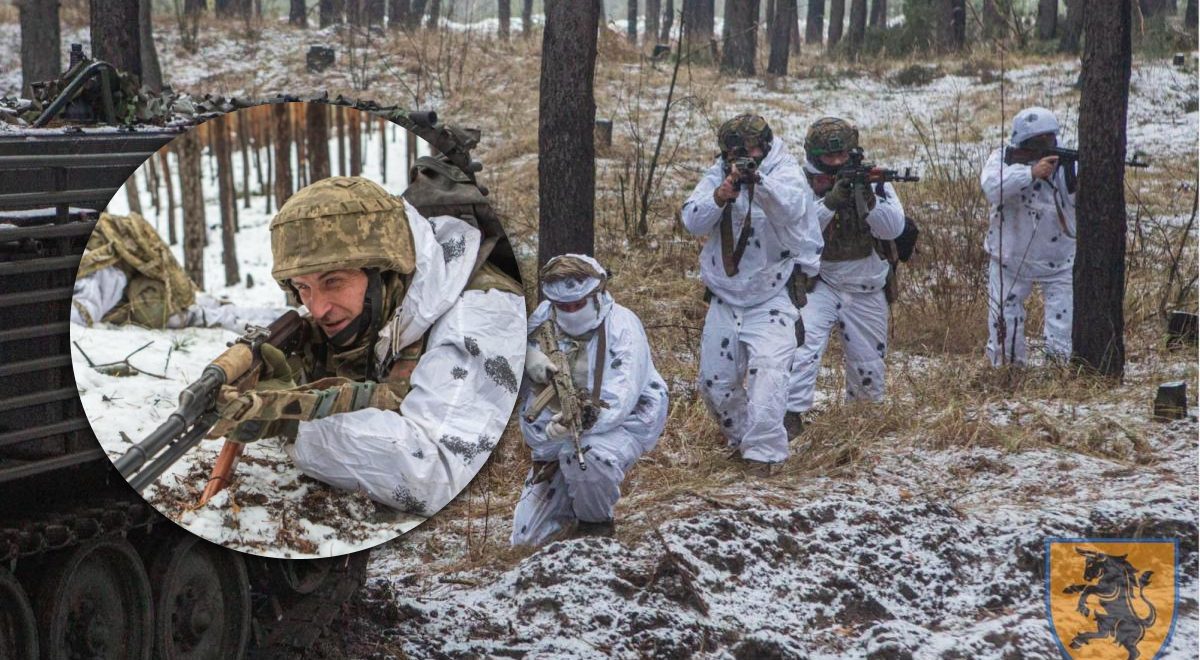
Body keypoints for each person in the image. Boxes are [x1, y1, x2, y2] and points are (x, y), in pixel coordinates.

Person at [209, 176, 526, 515]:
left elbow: (438, 475)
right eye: (303, 288)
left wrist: (290, 419)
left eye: (333, 282)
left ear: (386, 273)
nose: (318, 309)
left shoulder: (479, 316)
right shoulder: (393, 304)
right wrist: (294, 375)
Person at [681, 114, 822, 473]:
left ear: (766, 145)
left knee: (769, 375)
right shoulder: (719, 173)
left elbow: (792, 210)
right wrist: (720, 195)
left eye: (752, 149)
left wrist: (760, 184)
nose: (746, 156)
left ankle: (765, 456)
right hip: (725, 294)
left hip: (772, 292)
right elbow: (692, 221)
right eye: (737, 152)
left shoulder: (785, 171)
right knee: (715, 383)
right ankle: (744, 439)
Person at [511, 254, 668, 544]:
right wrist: (523, 357)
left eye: (577, 304)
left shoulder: (623, 326)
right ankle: (573, 501)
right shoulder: (540, 320)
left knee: (589, 457)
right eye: (563, 306)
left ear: (597, 295)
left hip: (623, 425)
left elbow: (619, 398)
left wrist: (579, 419)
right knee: (527, 539)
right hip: (558, 438)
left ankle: (595, 527)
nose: (570, 312)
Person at [786, 118, 906, 423]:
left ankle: (860, 425)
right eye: (830, 157)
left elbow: (893, 229)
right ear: (815, 156)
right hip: (818, 283)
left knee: (868, 367)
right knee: (801, 351)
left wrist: (868, 200)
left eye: (843, 156)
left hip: (866, 284)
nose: (838, 162)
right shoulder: (801, 183)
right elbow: (795, 233)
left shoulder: (874, 180)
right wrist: (830, 202)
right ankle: (789, 418)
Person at [70, 211, 279, 332]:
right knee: (209, 310)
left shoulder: (92, 270)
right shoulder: (93, 255)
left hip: (152, 296)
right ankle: (275, 319)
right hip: (147, 286)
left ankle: (273, 322)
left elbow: (85, 312)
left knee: (207, 315)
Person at [980, 106, 1076, 366]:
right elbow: (991, 187)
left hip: (1058, 259)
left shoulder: (1068, 165)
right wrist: (1030, 173)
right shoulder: (1004, 159)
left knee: (1062, 326)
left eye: (1050, 140)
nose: (1046, 146)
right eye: (1038, 143)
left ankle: (1058, 373)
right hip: (1009, 258)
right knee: (1005, 322)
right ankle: (1007, 373)